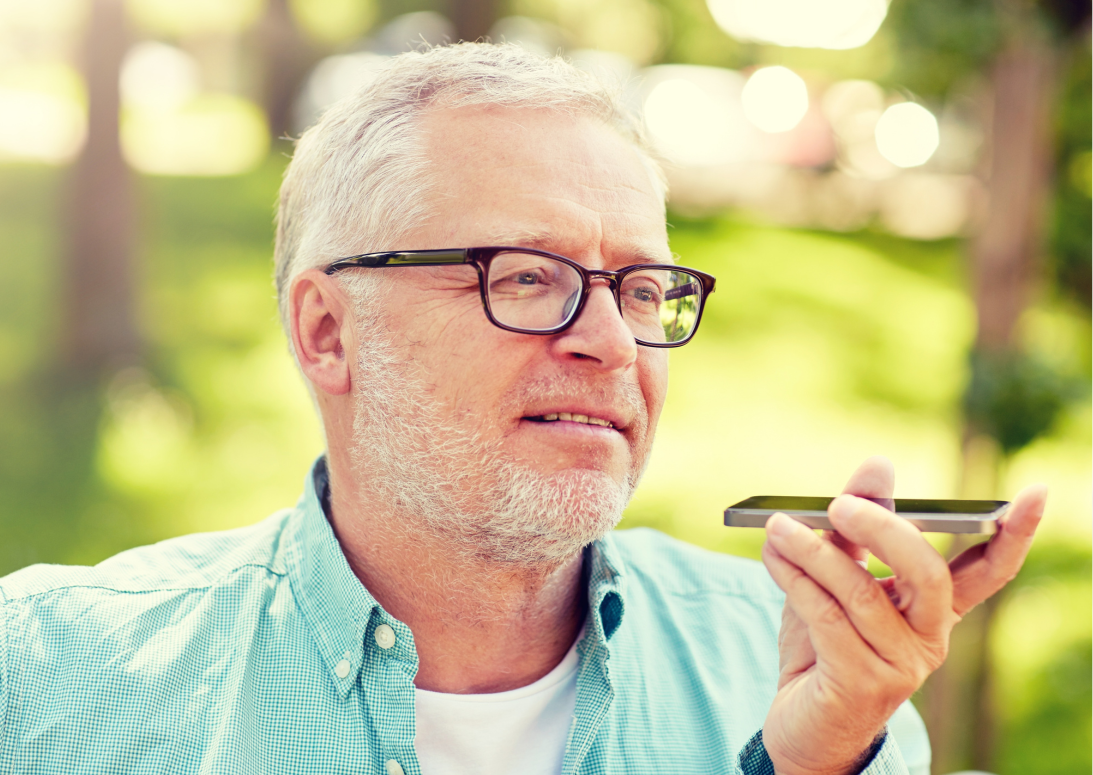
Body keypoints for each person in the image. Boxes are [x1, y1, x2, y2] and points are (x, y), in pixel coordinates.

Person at [0, 43, 1045, 775]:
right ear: (327, 331)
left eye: (641, 289)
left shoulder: (811, 677)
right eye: (528, 276)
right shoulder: (48, 682)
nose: (609, 340)